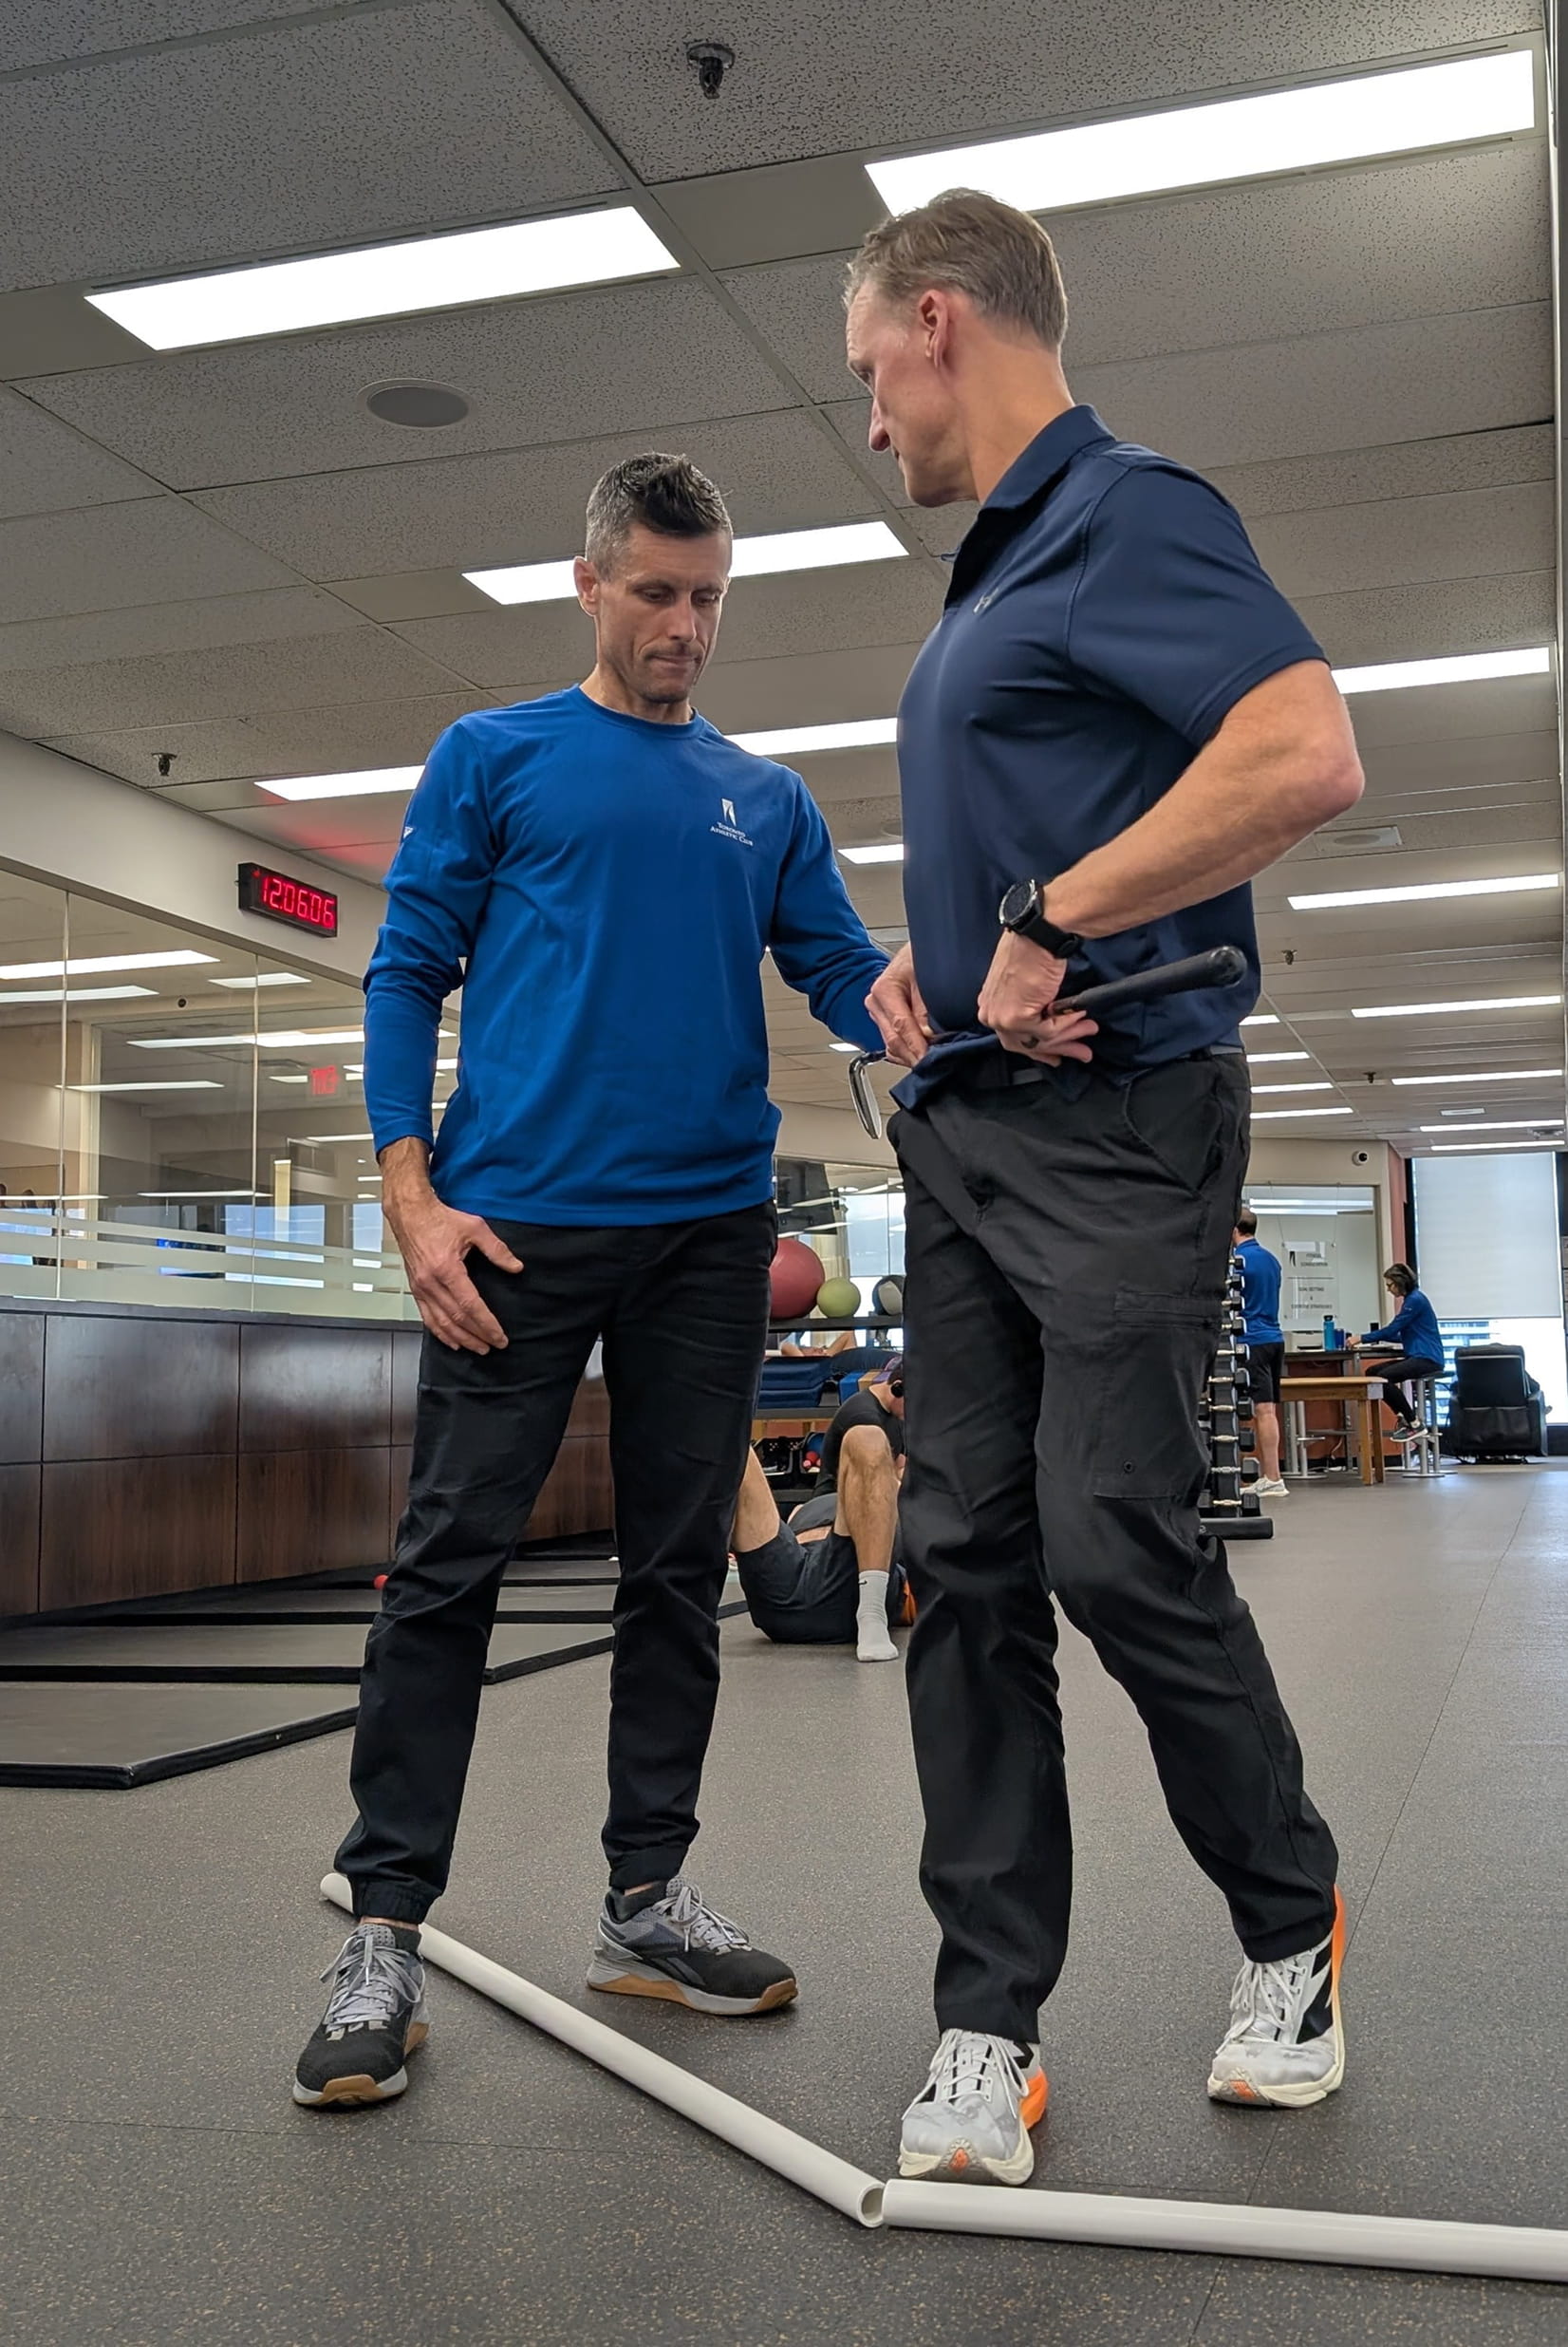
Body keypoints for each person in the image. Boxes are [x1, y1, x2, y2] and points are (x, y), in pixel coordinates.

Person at [846, 189, 1364, 2184]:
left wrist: (1050, 915)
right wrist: (933, 966)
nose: (870, 421)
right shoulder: (984, 584)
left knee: (1112, 1542)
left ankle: (1288, 1922)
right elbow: (1019, 864)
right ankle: (986, 2021)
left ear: (940, 318)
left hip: (1125, 1121)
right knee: (955, 1559)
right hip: (968, 1126)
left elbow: (1301, 753)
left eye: (870, 373)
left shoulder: (1124, 510)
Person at [292, 452, 888, 2110]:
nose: (685, 625)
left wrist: (926, 999)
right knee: (446, 1569)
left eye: (709, 598)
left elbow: (841, 970)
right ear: (590, 584)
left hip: (708, 1234)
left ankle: (646, 1900)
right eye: (657, 592)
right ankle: (382, 1928)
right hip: (515, 1231)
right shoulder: (494, 756)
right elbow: (406, 971)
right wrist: (411, 1196)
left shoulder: (764, 797)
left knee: (676, 1568)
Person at [730, 1431, 910, 1663]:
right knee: (730, 1438)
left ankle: (872, 1614)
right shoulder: (809, 1506)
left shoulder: (890, 1498)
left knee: (867, 1436)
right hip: (784, 1587)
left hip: (850, 1586)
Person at [1351, 1265, 1444, 1436]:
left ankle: (1414, 1423)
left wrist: (1362, 1338)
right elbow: (1403, 1335)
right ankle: (1402, 1416)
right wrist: (1376, 1338)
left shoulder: (1415, 1300)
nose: (1388, 1289)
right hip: (1418, 1356)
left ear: (1400, 1282)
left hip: (1427, 1358)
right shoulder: (1411, 1300)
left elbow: (1393, 1329)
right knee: (1372, 1372)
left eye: (1390, 1285)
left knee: (1383, 1378)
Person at [1233, 1212, 1288, 1496]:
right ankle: (1268, 1477)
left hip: (1251, 1340)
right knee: (1267, 1410)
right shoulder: (1271, 1260)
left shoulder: (1238, 1261)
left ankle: (1271, 1478)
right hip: (1274, 1339)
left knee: (1259, 1411)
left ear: (1234, 1229)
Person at [812, 1359, 905, 1493]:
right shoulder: (864, 1419)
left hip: (871, 1490)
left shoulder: (893, 1411)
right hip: (840, 1497)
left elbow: (898, 1462)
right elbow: (873, 1479)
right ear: (898, 1389)